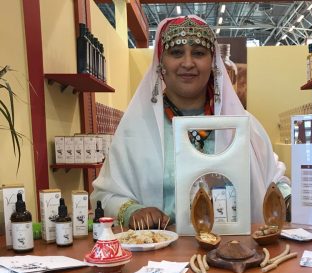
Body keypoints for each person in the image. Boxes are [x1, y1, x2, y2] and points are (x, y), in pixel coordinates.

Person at [91, 15, 287, 229]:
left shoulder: (242, 125)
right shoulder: (136, 129)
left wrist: (289, 199)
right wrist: (133, 211)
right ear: (161, 63)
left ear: (212, 63)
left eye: (199, 53)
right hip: (161, 246)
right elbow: (105, 195)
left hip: (232, 245)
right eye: (176, 52)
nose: (187, 63)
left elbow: (275, 179)